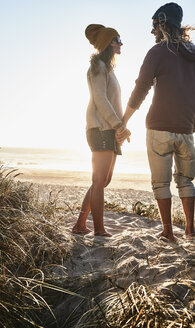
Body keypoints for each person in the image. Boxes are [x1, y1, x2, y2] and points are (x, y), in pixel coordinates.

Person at [116, 2, 195, 242]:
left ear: (163, 24)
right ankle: (190, 231)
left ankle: (167, 232)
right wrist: (192, 125)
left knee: (161, 183)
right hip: (186, 131)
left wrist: (123, 121)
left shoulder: (157, 52)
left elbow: (141, 89)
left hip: (158, 128)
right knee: (186, 182)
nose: (152, 32)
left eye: (154, 26)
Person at [72, 24, 130, 236]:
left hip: (110, 129)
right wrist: (118, 126)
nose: (121, 43)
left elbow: (114, 103)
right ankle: (99, 229)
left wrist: (121, 129)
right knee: (99, 181)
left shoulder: (108, 68)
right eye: (117, 39)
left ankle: (80, 224)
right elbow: (100, 100)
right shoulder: (98, 65)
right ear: (107, 43)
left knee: (103, 181)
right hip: (100, 128)